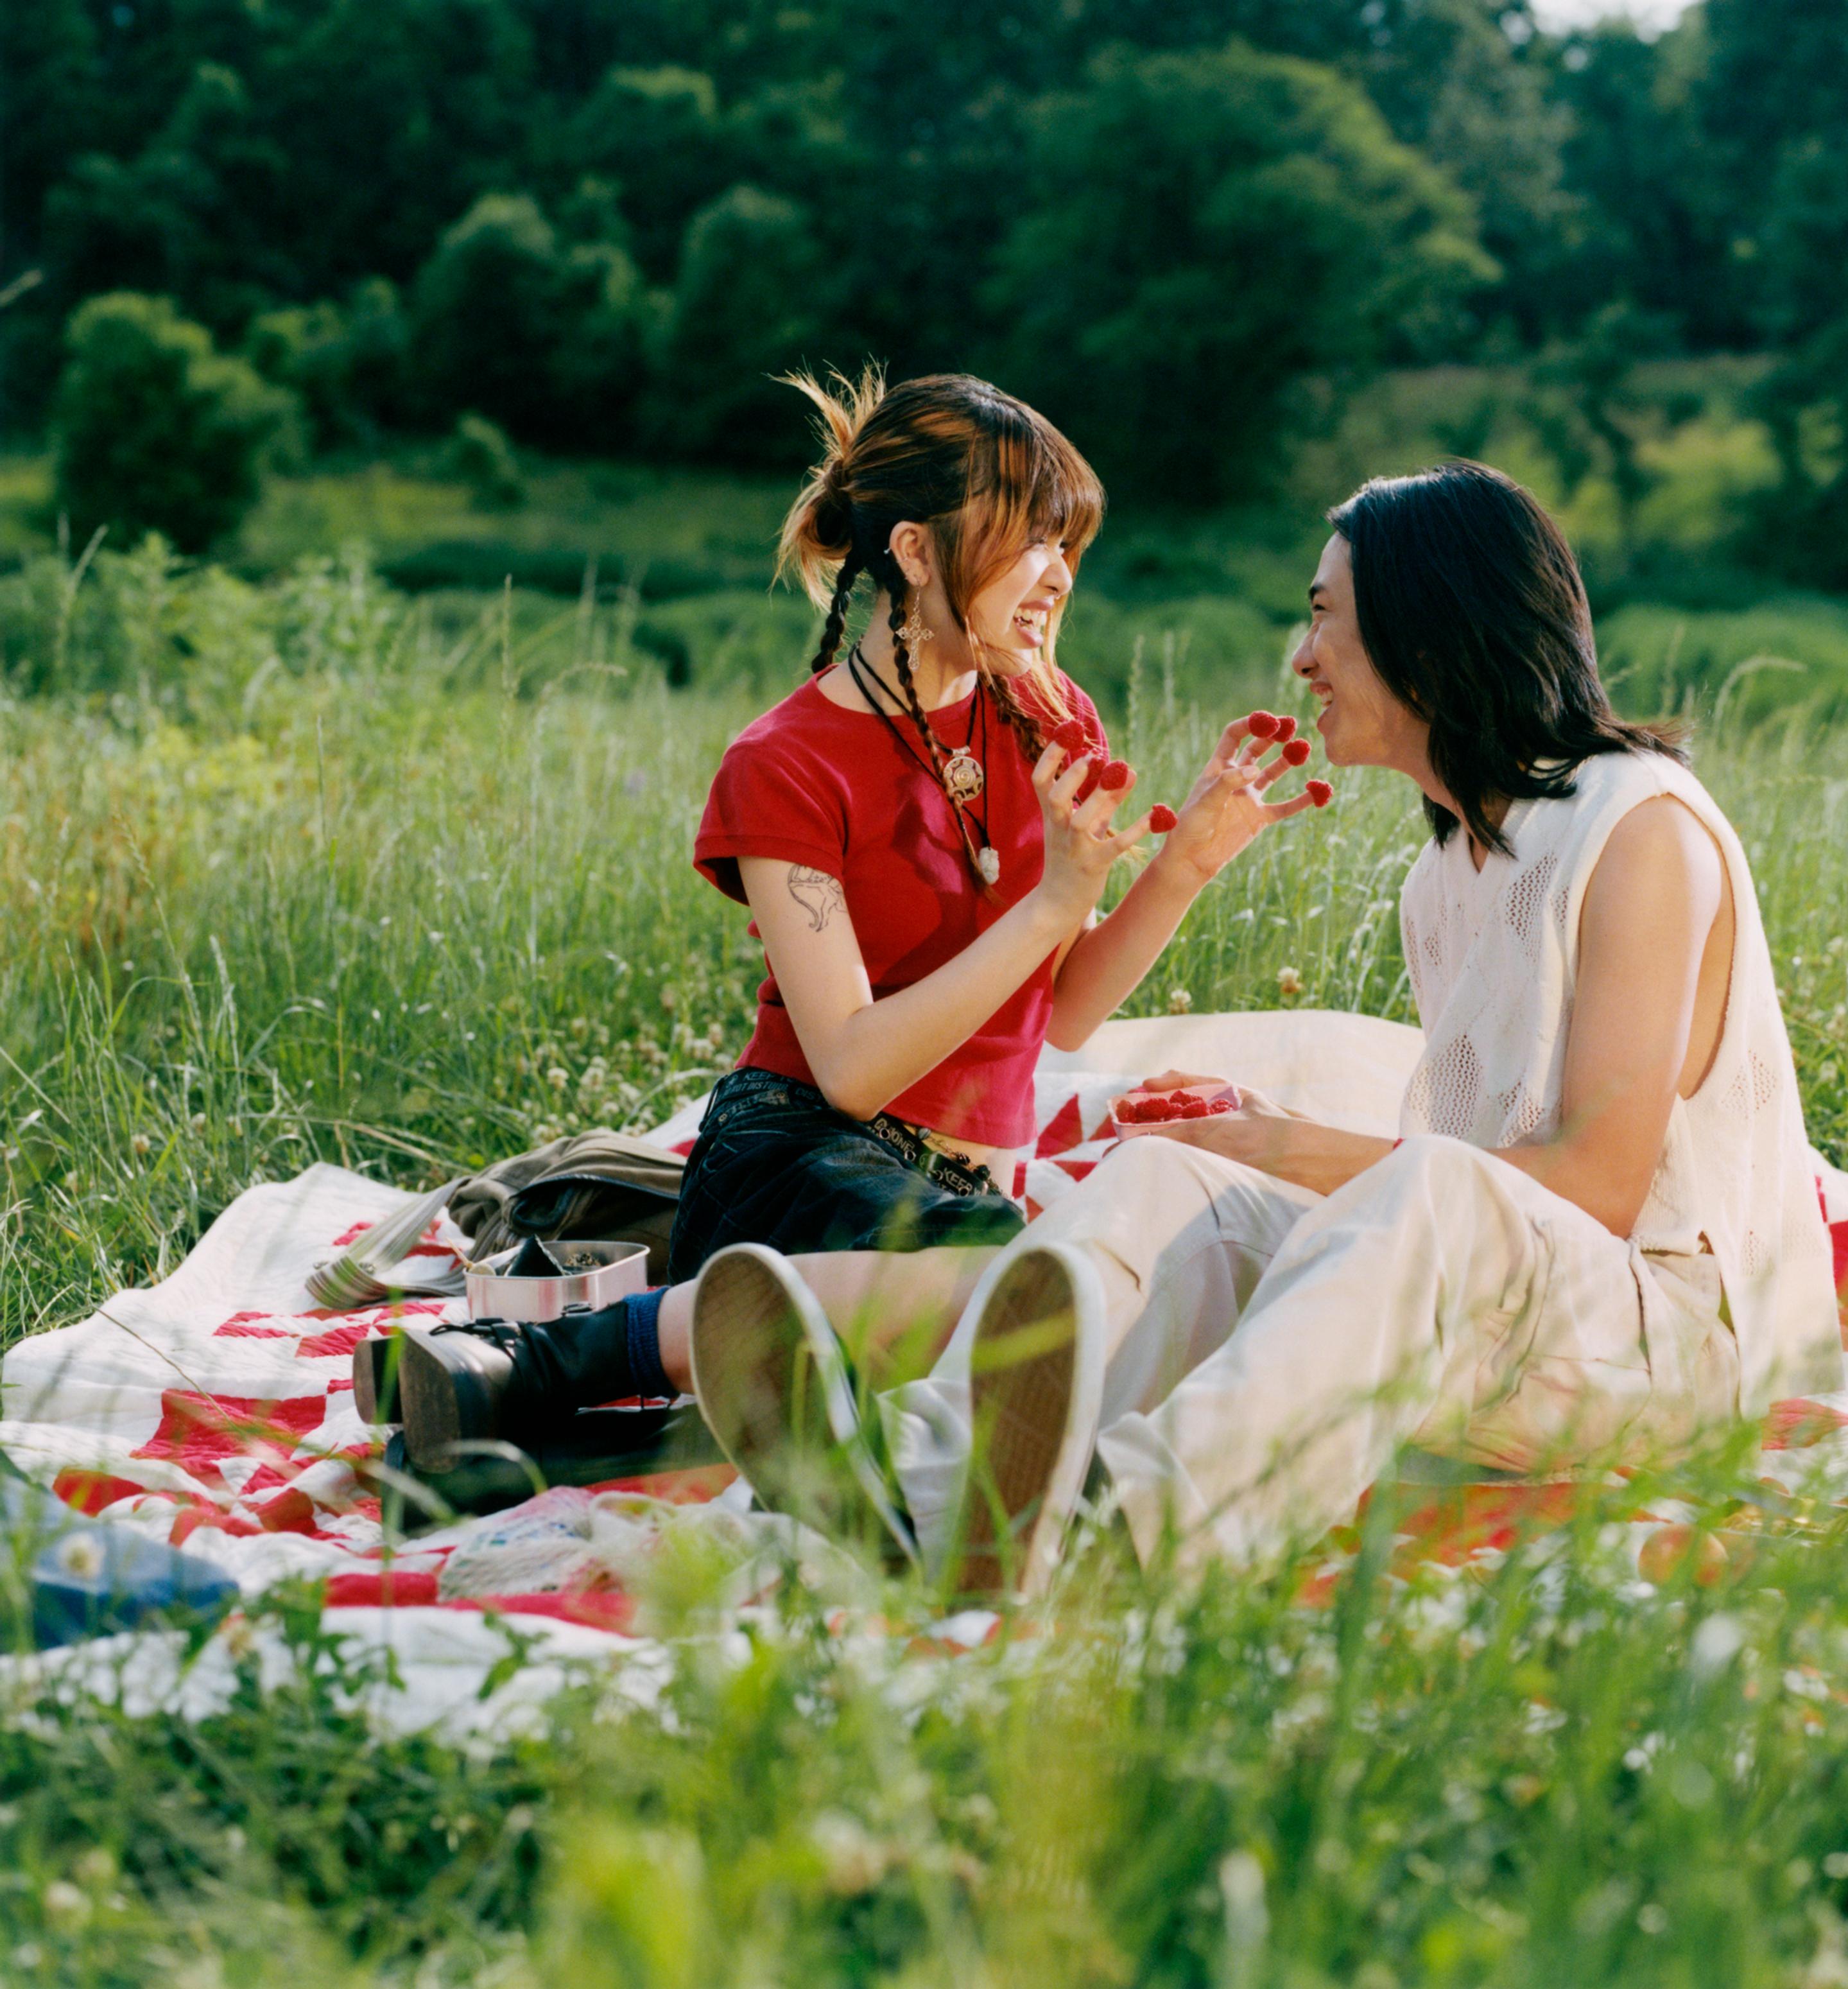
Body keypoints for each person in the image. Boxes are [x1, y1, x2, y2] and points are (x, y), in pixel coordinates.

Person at [702, 458, 1843, 1598]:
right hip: (1517, 1321)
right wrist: (1256, 1149)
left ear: (1426, 628)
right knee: (1162, 1180)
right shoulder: (1445, 874)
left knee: (1419, 1195)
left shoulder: (1640, 831)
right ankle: (909, 1485)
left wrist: (1301, 1150)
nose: (1301, 661)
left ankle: (1120, 1536)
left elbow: (1591, 1188)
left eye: (1323, 618)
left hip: (1675, 1352)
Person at [388, 370, 1322, 1477]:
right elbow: (851, 1068)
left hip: (957, 1195)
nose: (1061, 576)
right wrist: (1053, 901)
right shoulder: (783, 763)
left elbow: (1058, 1016)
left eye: (1071, 545)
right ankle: (545, 1361)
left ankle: (577, 1430)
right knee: (1022, 1288)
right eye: (1032, 542)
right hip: (799, 1153)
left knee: (1061, 1315)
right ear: (918, 553)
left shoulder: (1051, 719)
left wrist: (1182, 868)